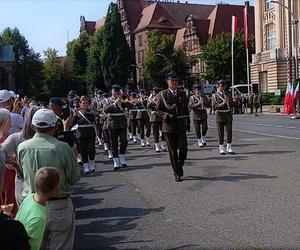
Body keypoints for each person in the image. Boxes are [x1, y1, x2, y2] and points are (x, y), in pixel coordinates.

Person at [17, 108, 81, 250]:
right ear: (54, 126)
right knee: (62, 245)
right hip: (59, 205)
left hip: (33, 203)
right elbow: (74, 178)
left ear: (33, 126)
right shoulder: (62, 147)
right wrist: (73, 157)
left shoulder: (22, 147)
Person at [15, 167, 62, 250]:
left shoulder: (30, 198)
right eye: (59, 185)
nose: (60, 188)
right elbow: (33, 246)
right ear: (53, 189)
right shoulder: (39, 218)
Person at [1, 106, 39, 206]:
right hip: (41, 185)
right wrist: (15, 165)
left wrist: (15, 165)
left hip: (23, 186)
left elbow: (1, 152)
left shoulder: (15, 137)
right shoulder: (16, 137)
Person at [156, 73, 189, 182]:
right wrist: (167, 115)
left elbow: (185, 109)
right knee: (173, 151)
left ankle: (179, 166)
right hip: (169, 127)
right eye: (172, 81)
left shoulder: (182, 93)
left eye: (176, 81)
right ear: (168, 82)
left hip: (180, 125)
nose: (174, 83)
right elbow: (157, 111)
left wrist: (188, 122)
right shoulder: (162, 95)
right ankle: (176, 173)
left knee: (184, 148)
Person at [104, 85, 130, 170]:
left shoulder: (122, 98)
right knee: (113, 143)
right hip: (112, 123)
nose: (115, 93)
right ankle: (115, 160)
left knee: (124, 141)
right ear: (111, 91)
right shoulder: (107, 100)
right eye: (114, 91)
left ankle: (122, 156)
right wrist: (115, 103)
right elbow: (105, 110)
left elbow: (131, 106)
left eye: (117, 91)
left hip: (122, 123)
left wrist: (123, 99)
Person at [73, 96, 97, 174]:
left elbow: (96, 116)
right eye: (83, 103)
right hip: (81, 133)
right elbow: (73, 123)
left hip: (90, 132)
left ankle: (92, 163)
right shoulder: (78, 113)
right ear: (80, 104)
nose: (85, 105)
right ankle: (86, 166)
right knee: (83, 150)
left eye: (86, 103)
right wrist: (75, 115)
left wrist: (91, 111)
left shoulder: (91, 111)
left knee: (91, 149)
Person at [212, 80, 235, 155]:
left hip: (228, 115)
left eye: (223, 86)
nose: (222, 88)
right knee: (220, 133)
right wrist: (223, 103)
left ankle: (229, 147)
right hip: (220, 116)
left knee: (229, 132)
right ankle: (221, 148)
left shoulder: (227, 94)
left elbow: (233, 104)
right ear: (218, 87)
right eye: (221, 86)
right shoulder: (215, 95)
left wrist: (229, 102)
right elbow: (214, 106)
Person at [148, 87, 167, 152]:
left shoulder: (161, 99)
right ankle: (157, 145)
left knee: (163, 131)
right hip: (154, 117)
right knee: (155, 132)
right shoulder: (150, 99)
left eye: (156, 93)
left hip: (161, 117)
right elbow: (148, 106)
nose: (155, 94)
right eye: (154, 93)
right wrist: (150, 101)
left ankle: (162, 145)